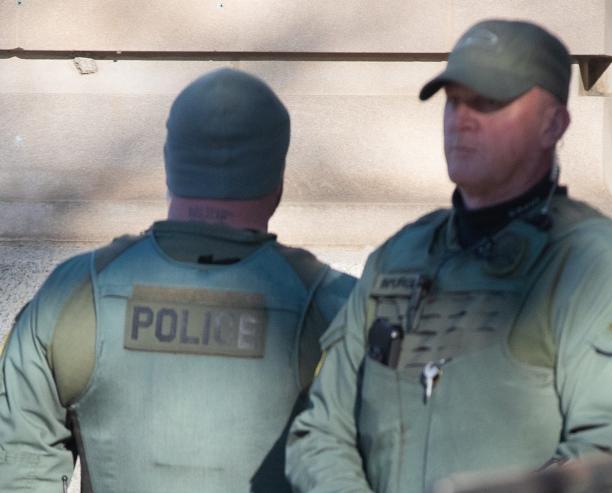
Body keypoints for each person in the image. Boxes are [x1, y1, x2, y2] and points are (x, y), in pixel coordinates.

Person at [285, 19, 612, 493]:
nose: (461, 119)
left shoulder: (595, 265)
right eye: (454, 101)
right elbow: (321, 431)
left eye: (489, 103)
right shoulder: (398, 257)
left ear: (554, 123)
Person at [0, 68, 356, 492]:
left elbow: (19, 471)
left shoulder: (71, 299)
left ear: (170, 167)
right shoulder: (338, 310)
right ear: (277, 182)